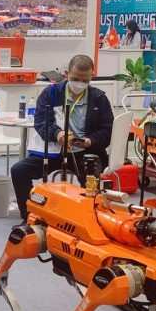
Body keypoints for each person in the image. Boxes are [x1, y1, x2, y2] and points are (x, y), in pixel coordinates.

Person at [11, 55, 114, 221]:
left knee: (92, 185)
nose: (80, 83)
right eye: (75, 79)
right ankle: (29, 217)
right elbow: (41, 121)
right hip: (54, 151)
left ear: (91, 77)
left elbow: (107, 130)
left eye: (85, 80)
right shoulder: (51, 93)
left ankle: (90, 220)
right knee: (19, 171)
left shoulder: (99, 98)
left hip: (85, 153)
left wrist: (91, 141)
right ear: (66, 74)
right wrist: (57, 134)